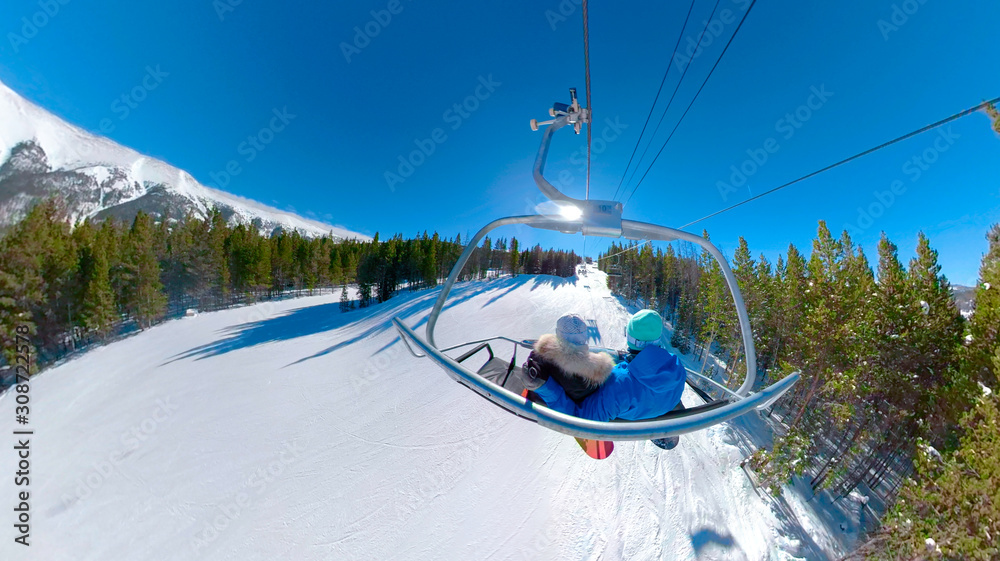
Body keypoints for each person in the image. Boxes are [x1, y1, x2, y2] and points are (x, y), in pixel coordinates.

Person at [522, 310, 687, 424]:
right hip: (660, 405)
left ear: (630, 338)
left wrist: (546, 389)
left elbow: (581, 419)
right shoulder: (678, 366)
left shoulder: (619, 383)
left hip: (631, 415)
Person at [520, 313, 616, 403]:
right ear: (585, 336)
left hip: (542, 402)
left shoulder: (541, 355)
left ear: (558, 333)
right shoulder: (598, 371)